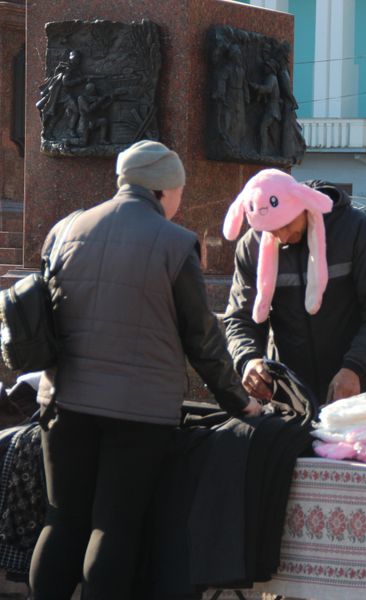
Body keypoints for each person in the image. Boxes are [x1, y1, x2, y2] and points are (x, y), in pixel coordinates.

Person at [29, 141, 260, 599]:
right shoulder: (176, 244)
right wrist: (239, 401)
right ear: (163, 191)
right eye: (179, 192)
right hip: (136, 413)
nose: (180, 202)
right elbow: (202, 340)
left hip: (64, 402)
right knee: (114, 526)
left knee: (63, 518)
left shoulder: (67, 226)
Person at [224, 172, 366, 405]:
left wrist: (355, 367)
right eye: (271, 231)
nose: (282, 236)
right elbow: (241, 317)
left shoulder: (357, 231)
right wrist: (248, 359)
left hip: (357, 387)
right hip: (290, 392)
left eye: (286, 225)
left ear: (304, 204)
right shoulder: (252, 245)